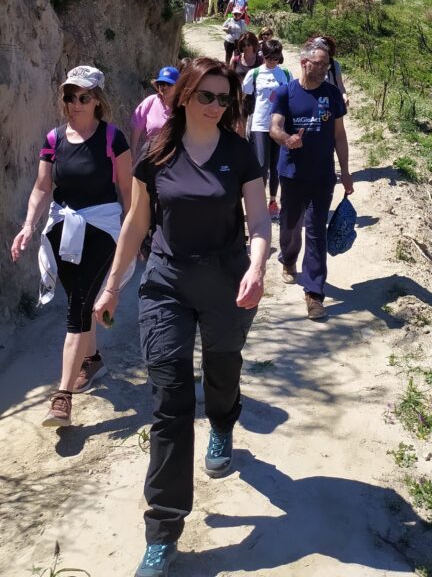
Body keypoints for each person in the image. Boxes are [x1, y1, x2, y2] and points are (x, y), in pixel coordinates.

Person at [94, 58, 271, 577]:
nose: (217, 107)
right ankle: (163, 533)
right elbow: (136, 221)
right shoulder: (158, 151)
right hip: (166, 283)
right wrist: (112, 286)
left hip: (227, 283)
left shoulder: (239, 153)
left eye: (225, 99)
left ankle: (221, 422)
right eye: (207, 97)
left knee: (221, 371)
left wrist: (258, 265)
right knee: (169, 405)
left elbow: (258, 218)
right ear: (185, 96)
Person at [11, 65, 132, 427]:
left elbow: (128, 191)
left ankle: (61, 397)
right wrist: (28, 226)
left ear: (98, 101)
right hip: (62, 227)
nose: (74, 103)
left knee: (78, 306)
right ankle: (92, 362)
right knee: (81, 302)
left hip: (102, 228)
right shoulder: (53, 139)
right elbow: (41, 187)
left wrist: (135, 234)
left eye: (83, 97)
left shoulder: (113, 139)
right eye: (69, 96)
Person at [270, 38, 353, 322]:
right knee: (290, 224)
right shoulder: (285, 93)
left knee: (316, 229)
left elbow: (339, 136)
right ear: (304, 62)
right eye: (319, 64)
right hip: (292, 173)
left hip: (322, 176)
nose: (324, 69)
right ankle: (289, 259)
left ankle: (314, 293)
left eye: (327, 64)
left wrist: (346, 171)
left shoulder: (331, 95)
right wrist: (286, 139)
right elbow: (274, 127)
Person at [243, 39, 292, 221]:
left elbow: (292, 97)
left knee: (276, 165)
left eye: (277, 57)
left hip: (278, 125)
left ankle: (273, 202)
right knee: (261, 165)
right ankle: (257, 204)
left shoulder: (285, 74)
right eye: (270, 57)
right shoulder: (254, 74)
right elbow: (245, 97)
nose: (273, 61)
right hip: (260, 124)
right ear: (263, 55)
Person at [130, 66, 180, 160]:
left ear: (178, 86)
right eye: (161, 83)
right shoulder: (151, 101)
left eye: (169, 84)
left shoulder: (182, 108)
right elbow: (137, 127)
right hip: (150, 156)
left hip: (175, 159)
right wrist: (132, 153)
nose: (164, 87)